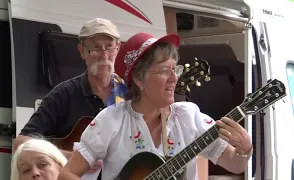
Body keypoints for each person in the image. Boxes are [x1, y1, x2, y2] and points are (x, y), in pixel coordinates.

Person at [57, 32, 253, 180]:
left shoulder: (189, 116)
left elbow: (235, 165)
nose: (174, 77)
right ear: (139, 80)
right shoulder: (111, 120)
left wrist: (244, 151)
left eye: (174, 68)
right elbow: (66, 175)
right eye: (163, 71)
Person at [13, 18, 125, 178]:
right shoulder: (64, 94)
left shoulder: (129, 96)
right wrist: (74, 158)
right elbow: (22, 142)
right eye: (95, 48)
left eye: (109, 47)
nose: (104, 55)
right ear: (82, 51)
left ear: (118, 48)